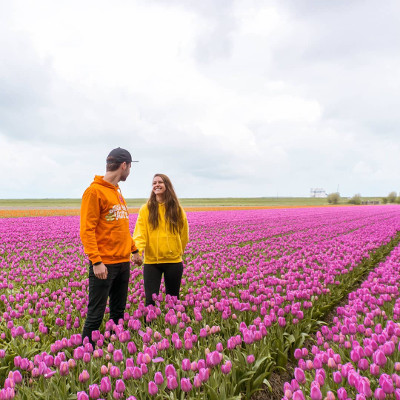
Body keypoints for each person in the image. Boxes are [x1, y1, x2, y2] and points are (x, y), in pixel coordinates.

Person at [80, 147, 142, 346]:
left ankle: (115, 351)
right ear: (124, 166)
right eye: (130, 167)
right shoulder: (94, 192)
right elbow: (86, 230)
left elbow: (122, 228)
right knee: (96, 314)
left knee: (118, 312)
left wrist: (134, 250)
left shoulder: (117, 193)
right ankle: (85, 355)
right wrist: (96, 261)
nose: (129, 172)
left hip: (123, 262)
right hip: (104, 265)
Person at [133, 174, 189, 307]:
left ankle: (173, 326)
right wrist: (137, 252)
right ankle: (149, 328)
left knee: (173, 299)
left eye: (160, 182)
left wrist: (179, 251)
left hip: (173, 261)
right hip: (152, 262)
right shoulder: (145, 209)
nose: (156, 185)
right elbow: (140, 233)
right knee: (150, 302)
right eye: (154, 183)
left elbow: (184, 233)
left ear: (167, 185)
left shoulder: (176, 209)